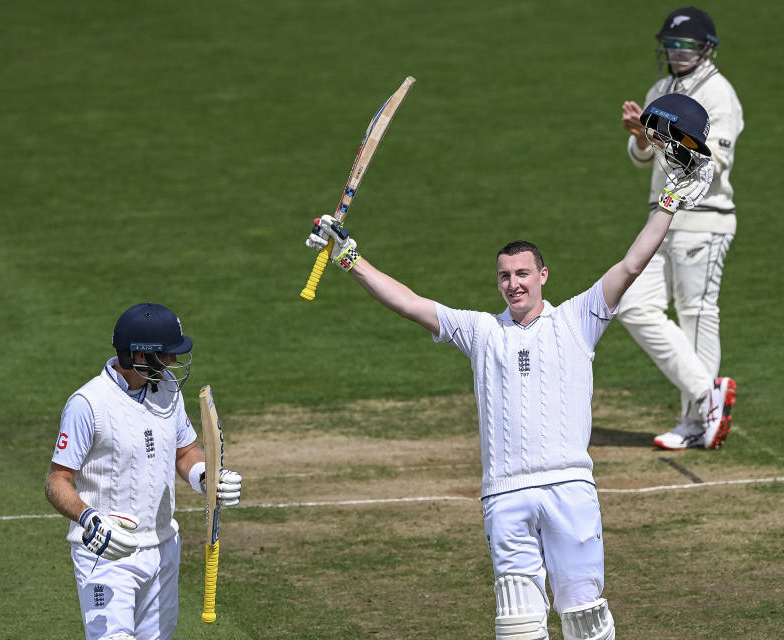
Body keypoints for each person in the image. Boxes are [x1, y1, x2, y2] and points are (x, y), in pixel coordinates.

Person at [305, 94, 714, 640]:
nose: (514, 283)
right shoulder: (480, 331)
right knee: (517, 629)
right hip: (504, 494)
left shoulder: (579, 318)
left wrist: (666, 201)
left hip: (569, 489)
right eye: (505, 276)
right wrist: (348, 256)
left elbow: (632, 262)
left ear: (543, 274)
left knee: (586, 622)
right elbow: (407, 301)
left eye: (523, 273)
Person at [44, 302, 242, 640]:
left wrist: (205, 478)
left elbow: (185, 451)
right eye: (166, 354)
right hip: (107, 552)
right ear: (140, 355)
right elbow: (56, 481)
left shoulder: (167, 389)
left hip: (163, 547)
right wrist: (90, 519)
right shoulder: (88, 403)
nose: (173, 362)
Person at [620, 6, 743, 450]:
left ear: (706, 48)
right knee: (633, 305)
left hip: (703, 218)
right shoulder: (661, 88)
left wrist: (664, 137)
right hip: (663, 214)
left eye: (686, 45)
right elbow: (643, 158)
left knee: (695, 315)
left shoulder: (719, 94)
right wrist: (641, 135)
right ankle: (705, 396)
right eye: (671, 44)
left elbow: (715, 160)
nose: (677, 52)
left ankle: (695, 422)